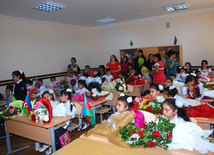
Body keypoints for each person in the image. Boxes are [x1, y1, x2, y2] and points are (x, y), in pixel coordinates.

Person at [35, 90, 59, 154]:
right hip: (44, 120)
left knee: (48, 130)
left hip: (53, 121)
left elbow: (56, 115)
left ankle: (49, 145)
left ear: (51, 96)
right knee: (37, 127)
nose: (46, 98)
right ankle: (38, 141)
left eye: (48, 96)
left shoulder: (55, 103)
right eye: (44, 97)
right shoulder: (42, 104)